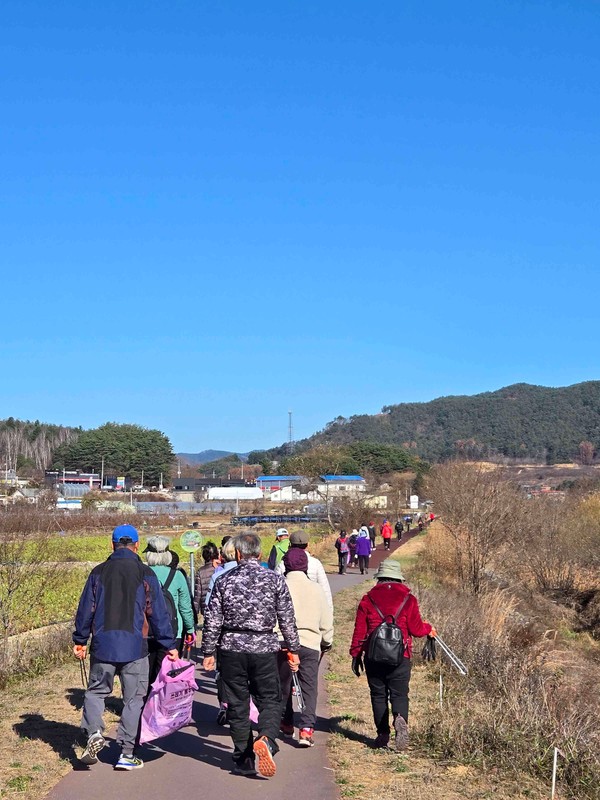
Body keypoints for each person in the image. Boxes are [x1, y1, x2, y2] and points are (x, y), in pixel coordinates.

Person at [72, 524, 178, 771]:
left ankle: (94, 732)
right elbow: (158, 613)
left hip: (103, 645)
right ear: (137, 546)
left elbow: (86, 608)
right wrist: (168, 644)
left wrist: (80, 640)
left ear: (112, 544)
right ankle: (126, 753)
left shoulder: (97, 572)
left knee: (96, 692)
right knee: (133, 699)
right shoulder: (145, 573)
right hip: (135, 647)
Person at [202, 533, 300, 779]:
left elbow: (212, 619)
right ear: (259, 554)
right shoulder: (274, 579)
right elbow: (287, 617)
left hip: (231, 648)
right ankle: (266, 738)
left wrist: (208, 651)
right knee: (269, 698)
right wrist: (293, 649)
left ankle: (244, 758)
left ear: (236, 554)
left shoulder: (224, 580)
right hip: (264, 647)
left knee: (237, 703)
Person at [349, 558, 436, 751]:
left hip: (373, 657)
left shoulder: (367, 599)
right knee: (399, 693)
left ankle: (382, 735)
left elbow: (360, 631)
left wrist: (356, 654)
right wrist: (429, 629)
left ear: (379, 578)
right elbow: (416, 628)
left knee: (378, 695)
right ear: (399, 579)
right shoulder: (409, 599)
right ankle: (400, 718)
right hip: (401, 656)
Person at [278, 548, 333, 746]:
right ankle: (307, 729)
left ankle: (286, 722)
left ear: (285, 566)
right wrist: (327, 641)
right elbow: (326, 621)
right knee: (309, 686)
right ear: (305, 566)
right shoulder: (316, 589)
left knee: (283, 685)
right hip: (310, 644)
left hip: (282, 643)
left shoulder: (279, 586)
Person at [144, 535, 196, 681]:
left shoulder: (142, 573)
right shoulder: (177, 575)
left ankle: (146, 702)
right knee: (166, 675)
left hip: (146, 630)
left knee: (146, 674)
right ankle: (162, 703)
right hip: (173, 631)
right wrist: (190, 630)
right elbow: (185, 608)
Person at [275, 530, 333, 610]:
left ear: (290, 545)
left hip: (290, 609)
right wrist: (329, 610)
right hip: (312, 607)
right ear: (307, 545)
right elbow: (325, 589)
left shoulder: (282, 564)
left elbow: (276, 590)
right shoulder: (316, 563)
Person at [194, 541, 219, 619]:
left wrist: (195, 612)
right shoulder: (221, 568)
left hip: (206, 608)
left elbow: (197, 593)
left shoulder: (201, 571)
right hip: (220, 607)